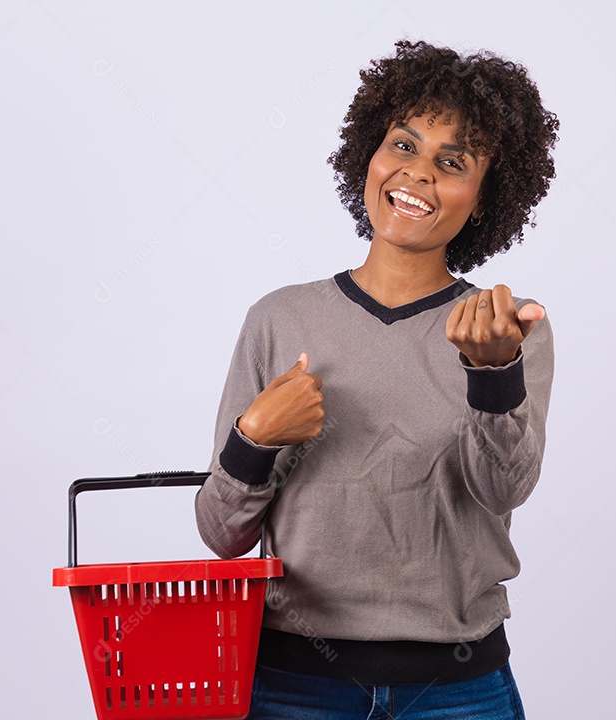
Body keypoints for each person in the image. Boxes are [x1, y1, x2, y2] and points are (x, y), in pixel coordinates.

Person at [195, 39, 559, 719]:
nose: (417, 175)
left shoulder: (502, 331)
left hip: (458, 689)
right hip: (292, 686)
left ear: (484, 198)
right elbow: (221, 534)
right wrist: (255, 437)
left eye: (452, 163)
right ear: (369, 153)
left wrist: (492, 375)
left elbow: (503, 488)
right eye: (403, 146)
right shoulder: (279, 319)